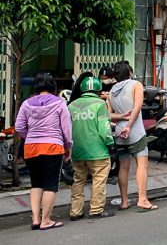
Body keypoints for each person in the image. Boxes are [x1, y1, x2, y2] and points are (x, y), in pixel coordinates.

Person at [15, 73, 72, 230]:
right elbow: (66, 128)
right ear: (52, 86)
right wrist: (68, 145)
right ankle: (46, 220)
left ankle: (35, 219)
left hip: (31, 148)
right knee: (50, 185)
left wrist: (31, 137)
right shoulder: (60, 103)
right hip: (53, 146)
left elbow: (19, 127)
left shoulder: (26, 104)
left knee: (36, 184)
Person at [108, 62, 157, 211]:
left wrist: (122, 123)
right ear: (129, 72)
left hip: (119, 132)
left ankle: (124, 201)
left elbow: (109, 115)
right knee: (142, 165)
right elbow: (137, 107)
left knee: (123, 167)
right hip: (135, 131)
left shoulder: (111, 91)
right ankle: (142, 199)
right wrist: (129, 126)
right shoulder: (136, 85)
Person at [68, 75, 115, 221]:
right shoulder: (99, 104)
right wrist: (110, 144)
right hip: (97, 151)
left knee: (78, 181)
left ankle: (75, 211)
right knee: (99, 180)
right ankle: (96, 209)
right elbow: (104, 128)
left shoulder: (71, 106)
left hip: (77, 151)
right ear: (98, 89)